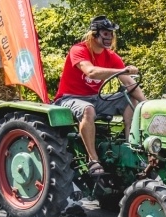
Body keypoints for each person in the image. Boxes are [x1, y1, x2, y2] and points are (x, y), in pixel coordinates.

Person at [54, 15, 146, 176]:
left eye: (111, 34)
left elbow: (129, 82)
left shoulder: (111, 57)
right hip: (70, 98)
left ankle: (129, 146)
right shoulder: (79, 50)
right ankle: (93, 160)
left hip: (95, 99)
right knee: (88, 110)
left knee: (130, 98)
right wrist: (121, 71)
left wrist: (147, 104)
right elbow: (91, 72)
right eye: (105, 33)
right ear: (94, 34)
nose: (109, 37)